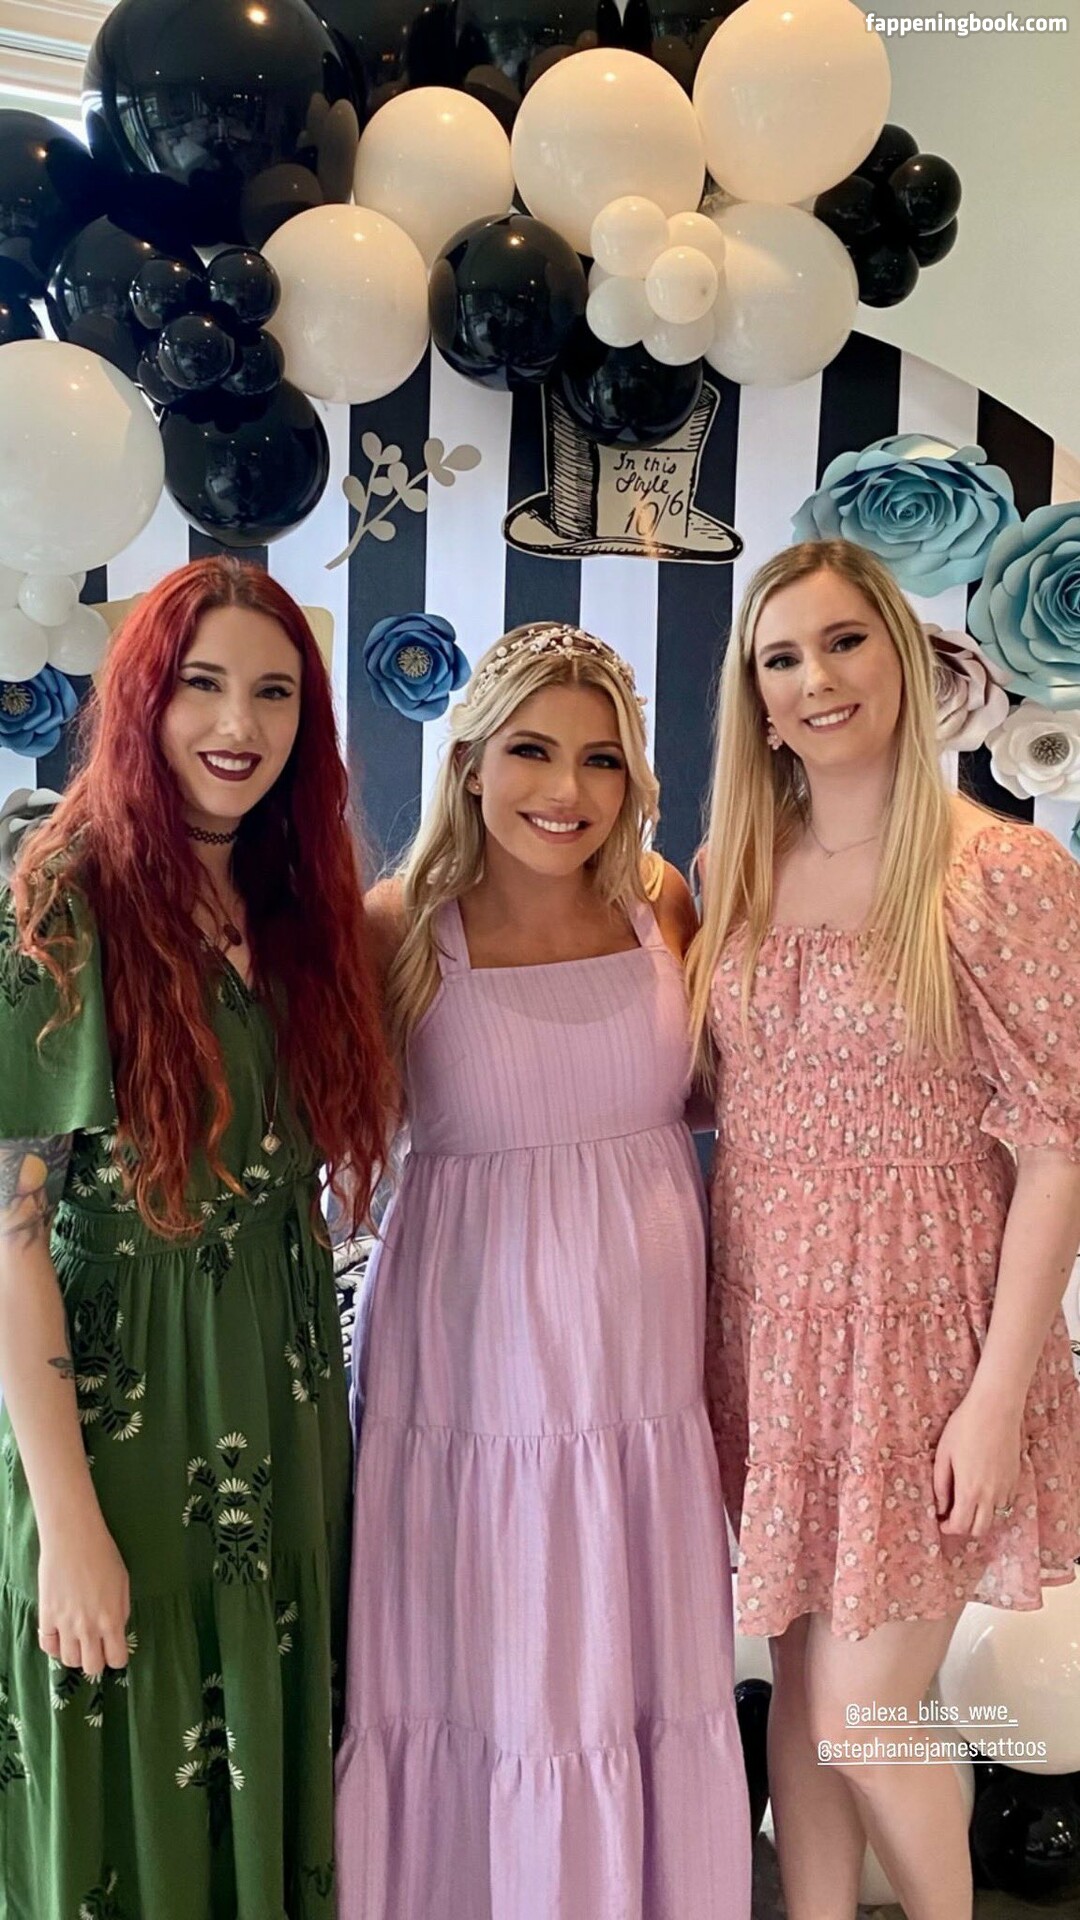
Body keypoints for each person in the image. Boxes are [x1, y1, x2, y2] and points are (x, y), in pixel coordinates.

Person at [686, 540, 1080, 1920]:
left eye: (844, 641)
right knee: (801, 1690)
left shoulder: (997, 872)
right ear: (755, 696)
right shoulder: (732, 868)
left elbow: (1058, 1147)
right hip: (772, 1340)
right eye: (782, 657)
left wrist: (996, 1400)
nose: (817, 679)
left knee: (865, 1714)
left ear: (904, 660)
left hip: (925, 1349)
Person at [334, 622, 752, 1920]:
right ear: (470, 761)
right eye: (531, 750)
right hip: (470, 1355)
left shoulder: (660, 903)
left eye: (600, 759)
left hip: (640, 1369)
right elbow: (335, 1146)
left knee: (633, 1663)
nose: (566, 790)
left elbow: (713, 1093)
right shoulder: (399, 927)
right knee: (488, 1658)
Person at [0, 558, 395, 1920]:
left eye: (274, 693)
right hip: (123, 1421)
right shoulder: (63, 896)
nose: (239, 724)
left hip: (282, 1411)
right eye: (202, 685)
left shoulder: (296, 899)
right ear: (142, 703)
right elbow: (10, 1238)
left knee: (268, 1775)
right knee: (127, 1788)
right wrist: (66, 1523)